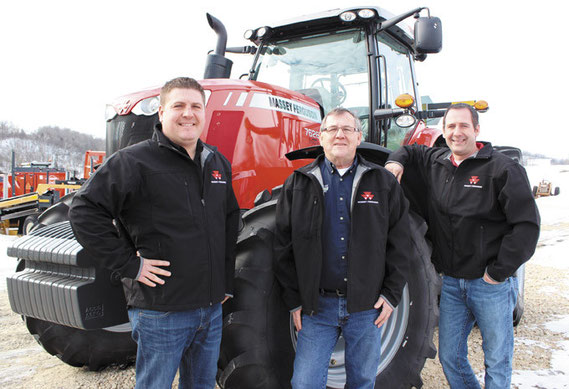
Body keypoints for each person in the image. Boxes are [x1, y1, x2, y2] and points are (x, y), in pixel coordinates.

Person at [69, 77, 239, 388]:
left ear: (205, 112)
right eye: (178, 106)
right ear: (161, 112)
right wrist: (130, 265)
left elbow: (229, 222)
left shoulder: (216, 162)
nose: (188, 113)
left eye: (195, 106)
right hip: (162, 313)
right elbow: (83, 211)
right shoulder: (134, 161)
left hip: (211, 310)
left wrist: (225, 281)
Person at [385, 103, 540, 389]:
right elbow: (409, 151)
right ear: (443, 131)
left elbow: (527, 227)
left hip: (489, 285)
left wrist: (497, 273)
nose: (457, 133)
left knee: (496, 360)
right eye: (451, 127)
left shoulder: (502, 169)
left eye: (463, 126)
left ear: (476, 130)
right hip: (454, 284)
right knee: (450, 358)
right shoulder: (437, 161)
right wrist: (395, 162)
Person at [273, 107, 411, 389]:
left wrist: (392, 294)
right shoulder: (299, 183)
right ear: (321, 138)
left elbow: (401, 243)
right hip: (316, 309)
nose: (340, 135)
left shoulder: (382, 182)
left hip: (365, 308)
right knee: (305, 383)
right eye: (332, 129)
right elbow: (282, 246)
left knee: (361, 382)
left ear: (358, 137)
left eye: (347, 129)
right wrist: (294, 299)